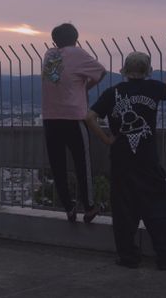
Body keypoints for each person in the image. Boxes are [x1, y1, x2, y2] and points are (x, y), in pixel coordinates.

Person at [85, 44, 166, 270]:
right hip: (148, 160)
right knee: (157, 208)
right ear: (148, 70)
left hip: (121, 161)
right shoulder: (152, 88)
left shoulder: (113, 93)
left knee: (123, 211)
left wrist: (108, 139)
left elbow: (89, 117)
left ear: (124, 71)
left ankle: (128, 257)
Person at [42, 23, 107, 223]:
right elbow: (101, 71)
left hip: (50, 117)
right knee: (82, 164)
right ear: (76, 38)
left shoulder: (49, 55)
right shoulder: (78, 54)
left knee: (57, 165)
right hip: (73, 116)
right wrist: (85, 87)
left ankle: (69, 207)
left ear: (54, 40)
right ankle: (88, 206)